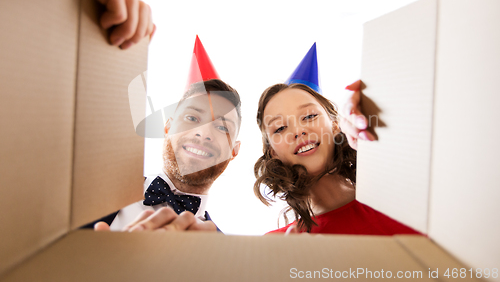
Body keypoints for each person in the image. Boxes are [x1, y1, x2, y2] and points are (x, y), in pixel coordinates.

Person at [253, 43, 420, 235]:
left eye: (309, 116)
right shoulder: (280, 244)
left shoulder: (403, 197)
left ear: (335, 126)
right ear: (273, 152)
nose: (298, 130)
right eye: (280, 128)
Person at [90, 37, 242, 232]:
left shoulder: (225, 255)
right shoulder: (95, 194)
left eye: (222, 127)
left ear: (234, 151)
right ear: (167, 127)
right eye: (192, 118)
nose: (203, 133)